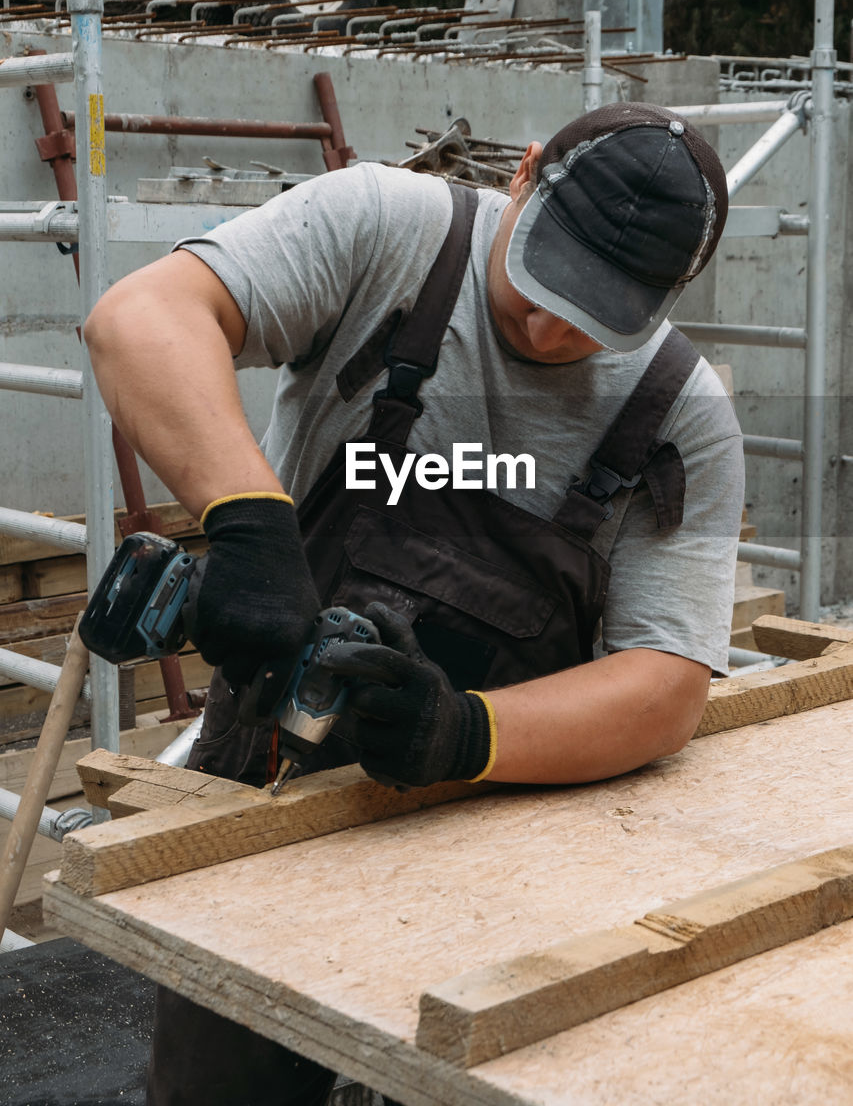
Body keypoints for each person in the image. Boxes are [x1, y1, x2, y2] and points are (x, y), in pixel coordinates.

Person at [84, 100, 744, 1105]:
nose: (551, 322)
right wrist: (252, 523)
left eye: (597, 308)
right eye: (543, 277)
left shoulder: (677, 411)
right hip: (268, 795)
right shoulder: (388, 233)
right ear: (522, 176)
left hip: (499, 825)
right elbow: (140, 317)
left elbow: (663, 684)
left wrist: (461, 730)